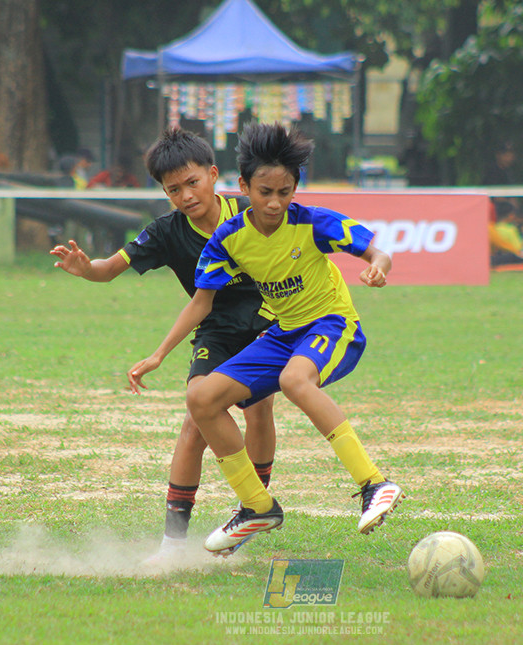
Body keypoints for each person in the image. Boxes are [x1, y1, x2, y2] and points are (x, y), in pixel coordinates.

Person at [128, 123, 403, 556]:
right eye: (265, 192)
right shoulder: (229, 239)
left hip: (331, 325)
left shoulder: (312, 222)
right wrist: (159, 354)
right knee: (201, 400)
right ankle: (257, 507)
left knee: (295, 381)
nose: (275, 202)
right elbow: (201, 302)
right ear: (244, 187)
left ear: (295, 188)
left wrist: (378, 268)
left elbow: (377, 252)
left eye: (284, 192)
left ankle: (374, 484)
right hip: (283, 334)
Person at [49, 128, 278, 563]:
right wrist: (86, 269)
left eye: (193, 183)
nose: (186, 195)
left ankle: (252, 509)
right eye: (174, 190)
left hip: (269, 321)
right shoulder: (166, 232)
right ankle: (174, 544)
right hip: (215, 329)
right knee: (196, 419)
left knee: (259, 407)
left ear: (213, 175)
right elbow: (109, 269)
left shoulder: (251, 212)